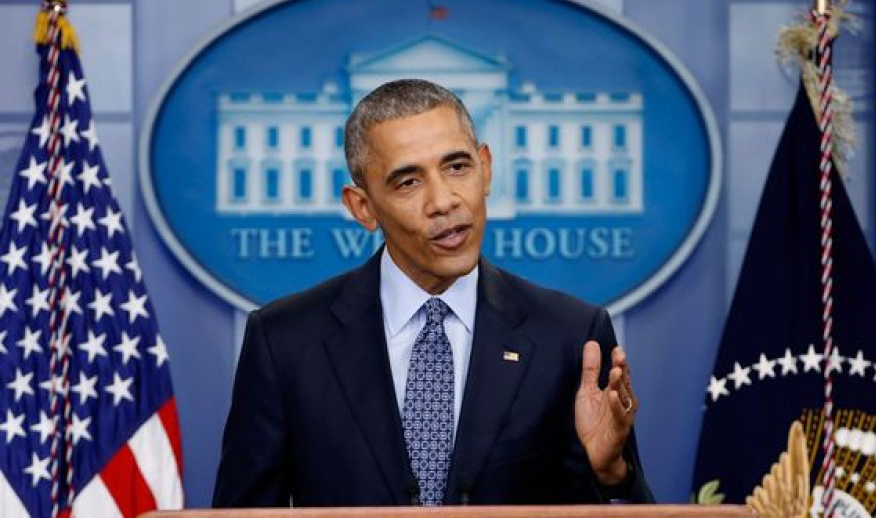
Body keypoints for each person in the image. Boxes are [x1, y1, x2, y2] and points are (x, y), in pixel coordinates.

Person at [212, 79, 654, 507]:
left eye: (457, 167)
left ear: (486, 169)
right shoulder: (284, 341)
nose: (443, 201)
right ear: (362, 207)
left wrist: (611, 472)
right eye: (408, 182)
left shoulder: (572, 336)